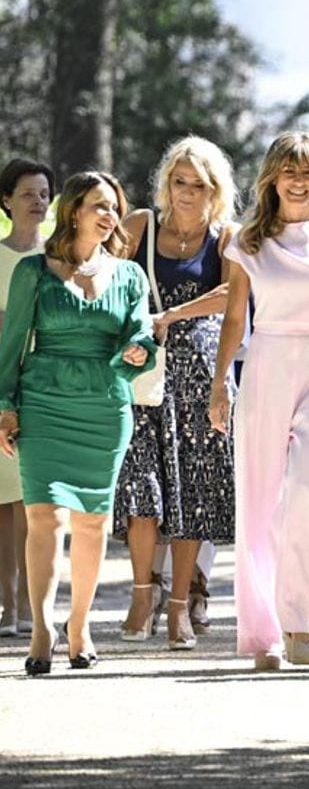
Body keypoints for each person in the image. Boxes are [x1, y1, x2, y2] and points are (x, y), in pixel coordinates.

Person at [209, 132, 309, 671]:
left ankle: (299, 621)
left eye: (308, 172)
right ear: (272, 178)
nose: (299, 181)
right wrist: (218, 386)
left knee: (306, 496)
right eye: (289, 171)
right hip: (269, 361)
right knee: (259, 500)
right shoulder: (247, 241)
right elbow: (236, 318)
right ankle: (264, 632)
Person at [0, 171, 157, 674]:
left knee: (93, 521)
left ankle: (80, 624)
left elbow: (141, 337)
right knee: (45, 516)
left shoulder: (130, 275)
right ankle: (42, 629)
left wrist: (140, 350)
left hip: (104, 406)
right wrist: (5, 406)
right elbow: (11, 345)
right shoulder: (33, 272)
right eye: (98, 205)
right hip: (44, 401)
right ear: (72, 211)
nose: (109, 215)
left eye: (114, 207)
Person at [113, 137, 239, 652]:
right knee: (141, 489)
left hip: (199, 375)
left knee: (193, 494)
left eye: (198, 184)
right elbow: (109, 278)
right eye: (179, 181)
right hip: (143, 373)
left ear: (216, 190)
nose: (187, 192)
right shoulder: (141, 226)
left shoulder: (226, 237)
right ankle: (143, 594)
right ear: (167, 182)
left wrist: (221, 384)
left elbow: (234, 298)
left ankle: (180, 605)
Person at [0, 159, 54, 638]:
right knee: (2, 498)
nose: (37, 202)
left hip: (44, 385)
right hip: (1, 383)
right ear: (6, 201)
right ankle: (7, 603)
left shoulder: (58, 257)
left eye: (43, 193)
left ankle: (28, 604)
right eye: (27, 193)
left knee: (28, 498)